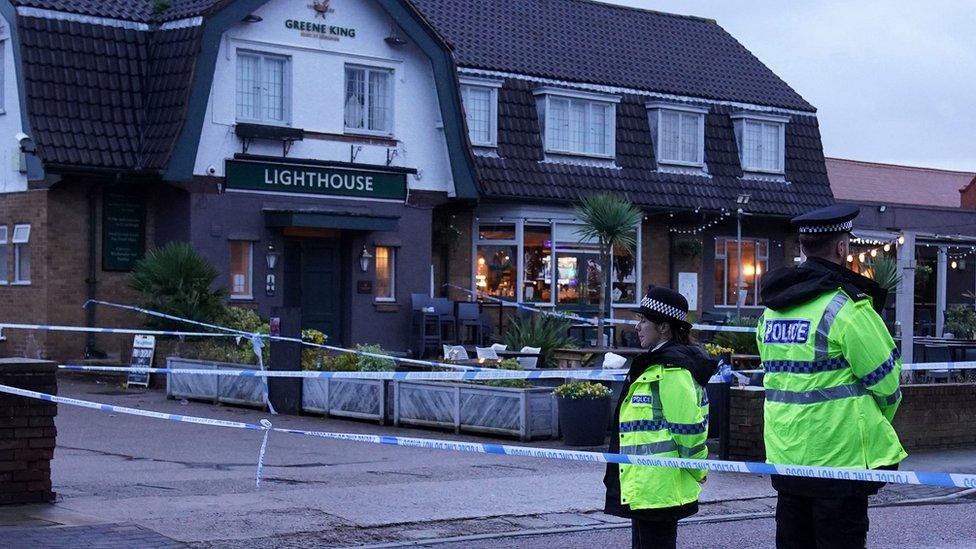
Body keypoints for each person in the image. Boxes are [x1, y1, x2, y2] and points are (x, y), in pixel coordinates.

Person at [757, 203, 907, 548]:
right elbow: (887, 383)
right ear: (842, 248)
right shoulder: (845, 308)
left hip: (787, 457)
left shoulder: (772, 311)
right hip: (840, 462)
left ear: (803, 248)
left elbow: (781, 379)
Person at [603, 287, 716, 549]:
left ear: (664, 327)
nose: (637, 326)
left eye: (644, 321)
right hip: (646, 486)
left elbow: (689, 430)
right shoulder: (656, 363)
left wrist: (698, 470)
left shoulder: (673, 370)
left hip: (659, 488)